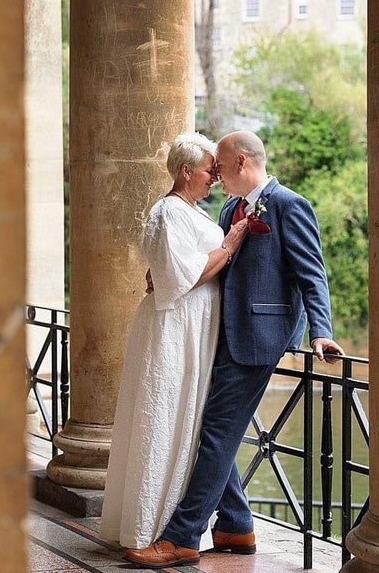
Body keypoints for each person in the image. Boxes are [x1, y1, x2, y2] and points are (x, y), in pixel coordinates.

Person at [124, 130, 344, 568]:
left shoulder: (289, 205)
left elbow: (312, 275)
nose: (217, 176)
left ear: (241, 162)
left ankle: (182, 537)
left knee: (216, 434)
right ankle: (236, 526)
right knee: (210, 428)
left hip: (260, 339)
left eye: (220, 168)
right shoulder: (228, 208)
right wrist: (164, 275)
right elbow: (210, 260)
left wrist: (321, 331)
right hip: (220, 333)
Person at [99, 133, 248, 549]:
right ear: (186, 171)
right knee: (167, 412)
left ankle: (232, 520)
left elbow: (172, 270)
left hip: (193, 324)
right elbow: (184, 277)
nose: (214, 179)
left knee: (195, 416)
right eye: (208, 171)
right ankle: (153, 526)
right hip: (174, 327)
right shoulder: (169, 211)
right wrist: (230, 243)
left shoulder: (190, 211)